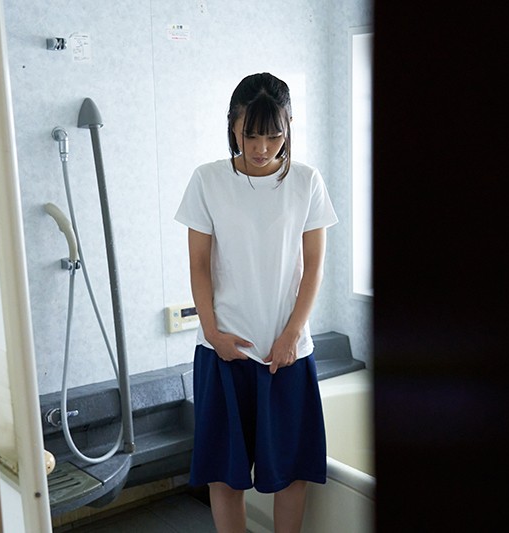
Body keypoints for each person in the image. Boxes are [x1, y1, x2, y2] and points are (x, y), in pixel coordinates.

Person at [174, 72, 338, 533]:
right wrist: (213, 334)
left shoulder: (306, 181)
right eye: (251, 135)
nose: (262, 147)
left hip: (287, 354)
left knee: (292, 471)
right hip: (224, 351)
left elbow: (313, 267)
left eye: (274, 135)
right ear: (232, 126)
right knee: (225, 476)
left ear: (288, 127)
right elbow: (199, 266)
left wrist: (291, 336)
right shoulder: (208, 180)